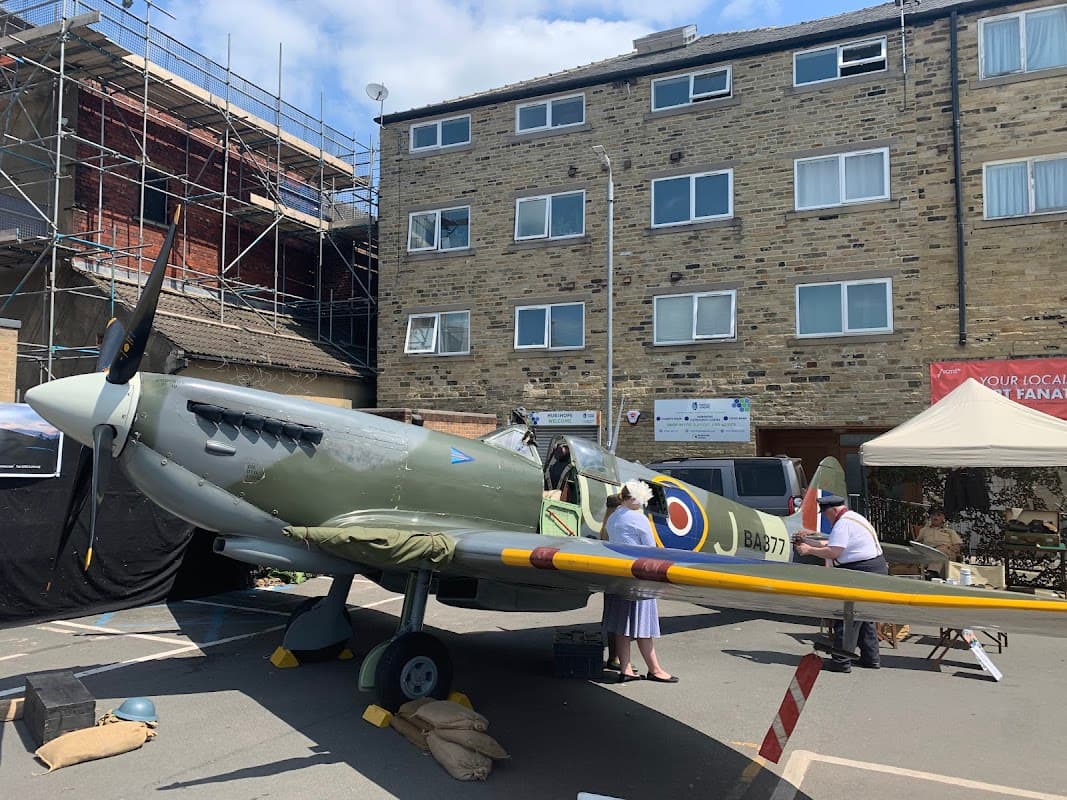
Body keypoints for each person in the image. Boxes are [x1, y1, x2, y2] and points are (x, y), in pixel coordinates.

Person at [794, 494, 888, 673]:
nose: (827, 518)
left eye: (826, 513)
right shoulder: (853, 518)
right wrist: (806, 540)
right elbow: (830, 542)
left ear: (833, 510)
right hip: (873, 570)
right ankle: (871, 658)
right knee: (864, 617)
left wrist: (808, 550)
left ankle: (841, 662)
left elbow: (833, 552)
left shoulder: (843, 523)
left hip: (860, 572)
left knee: (848, 616)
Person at [603, 479, 678, 684]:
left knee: (622, 626)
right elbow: (650, 549)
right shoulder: (639, 519)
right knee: (644, 627)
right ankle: (655, 669)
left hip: (617, 577)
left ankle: (626, 669)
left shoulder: (613, 517)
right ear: (635, 499)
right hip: (638, 579)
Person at [912, 507, 963, 577]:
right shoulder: (924, 530)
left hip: (947, 553)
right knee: (937, 554)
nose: (935, 517)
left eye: (938, 515)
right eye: (933, 515)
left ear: (943, 518)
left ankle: (932, 573)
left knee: (941, 551)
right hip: (929, 553)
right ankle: (933, 573)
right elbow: (917, 543)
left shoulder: (950, 531)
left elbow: (957, 548)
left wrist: (946, 548)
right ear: (930, 517)